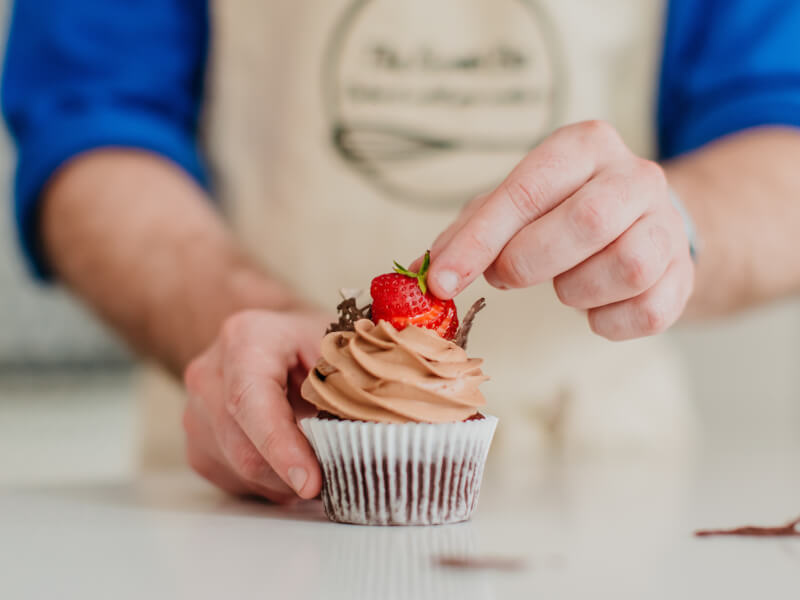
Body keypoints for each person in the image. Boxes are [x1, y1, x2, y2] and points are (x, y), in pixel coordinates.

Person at [3, 0, 800, 502]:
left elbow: (780, 131)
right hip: (250, 488)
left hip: (602, 484)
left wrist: (670, 228)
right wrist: (238, 317)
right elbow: (90, 118)